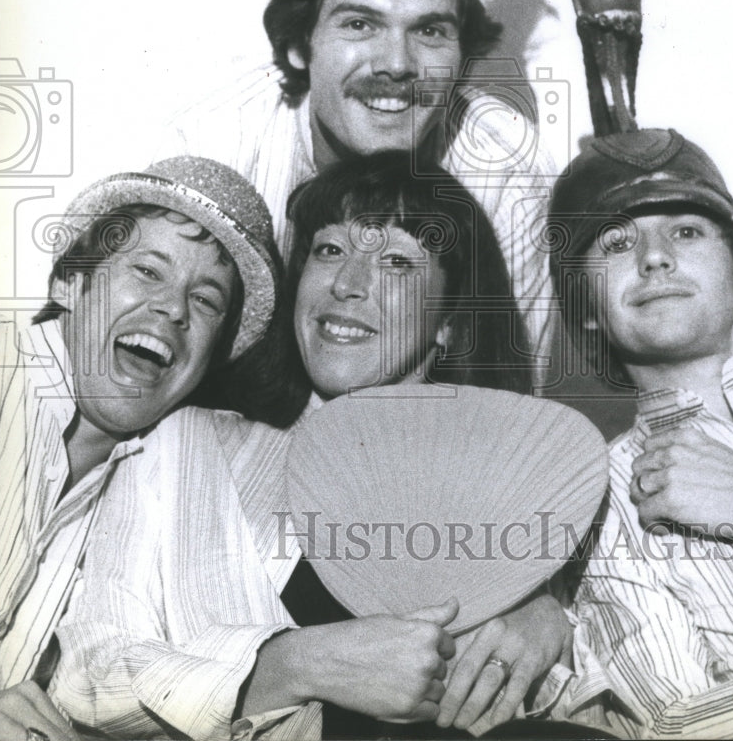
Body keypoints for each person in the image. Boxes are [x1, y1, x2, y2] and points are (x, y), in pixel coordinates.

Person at [51, 154, 599, 741]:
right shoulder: (186, 445)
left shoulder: (519, 490)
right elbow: (88, 668)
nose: (347, 285)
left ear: (450, 323)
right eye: (329, 250)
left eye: (395, 262)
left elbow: (595, 698)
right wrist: (292, 665)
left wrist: (545, 620)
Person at [159, 0, 557, 362]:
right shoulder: (215, 149)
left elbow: (511, 402)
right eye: (360, 23)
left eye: (430, 31)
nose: (396, 64)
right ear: (299, 45)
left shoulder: (508, 171)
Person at [0, 155, 292, 741]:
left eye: (206, 300)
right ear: (70, 282)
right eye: (149, 272)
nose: (174, 309)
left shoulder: (153, 477)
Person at [540, 128, 733, 739]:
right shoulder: (594, 503)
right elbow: (684, 727)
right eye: (617, 242)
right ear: (590, 311)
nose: (654, 256)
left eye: (686, 230)